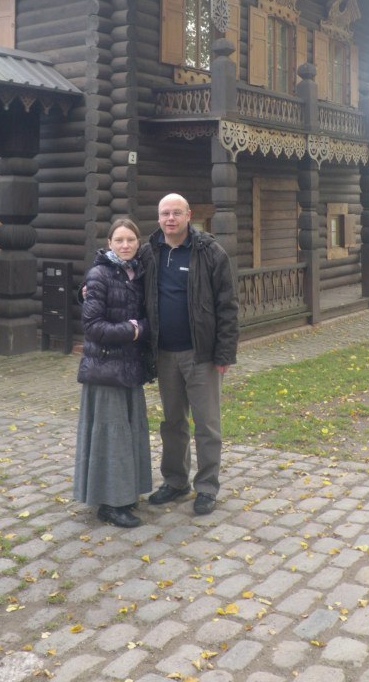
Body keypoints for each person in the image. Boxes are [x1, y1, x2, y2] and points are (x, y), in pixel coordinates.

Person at [141, 193, 238, 516]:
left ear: (189, 215)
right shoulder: (149, 253)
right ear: (158, 219)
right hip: (165, 354)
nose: (170, 219)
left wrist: (224, 353)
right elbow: (118, 268)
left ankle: (207, 487)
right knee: (172, 423)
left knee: (207, 425)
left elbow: (227, 306)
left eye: (176, 213)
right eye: (165, 213)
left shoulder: (210, 252)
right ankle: (176, 480)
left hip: (202, 355)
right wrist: (89, 288)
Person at [73, 218, 154, 528]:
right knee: (111, 435)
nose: (125, 245)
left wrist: (141, 329)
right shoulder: (99, 275)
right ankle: (109, 504)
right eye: (119, 240)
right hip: (105, 369)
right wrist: (132, 331)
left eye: (130, 240)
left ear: (137, 243)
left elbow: (146, 319)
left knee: (129, 433)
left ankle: (124, 493)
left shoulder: (137, 275)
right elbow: (93, 327)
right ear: (109, 243)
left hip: (129, 368)